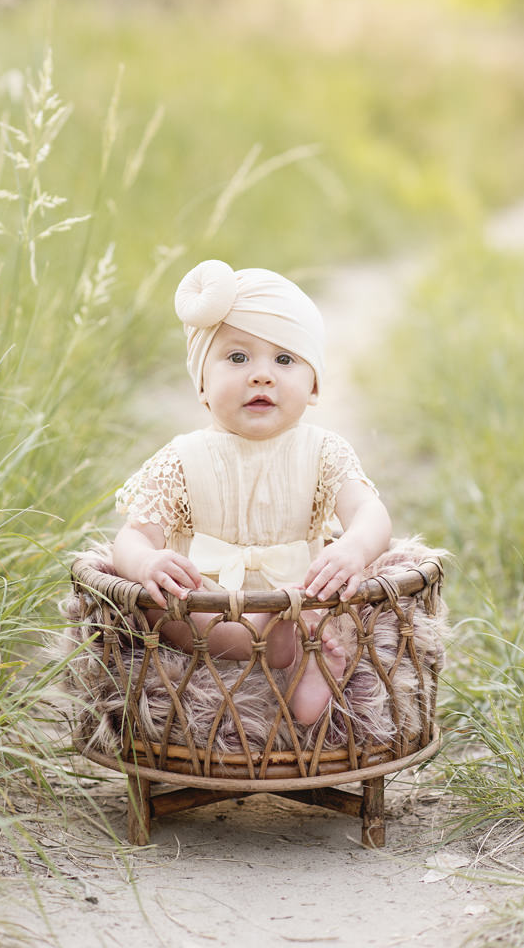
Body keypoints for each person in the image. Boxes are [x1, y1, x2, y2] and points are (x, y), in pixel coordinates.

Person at [111, 258, 393, 725]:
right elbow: (133, 536)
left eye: (284, 360)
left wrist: (354, 550)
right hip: (209, 609)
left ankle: (311, 658)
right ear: (202, 382)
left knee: (329, 604)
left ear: (314, 385)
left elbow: (369, 511)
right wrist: (147, 562)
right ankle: (290, 652)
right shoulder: (181, 458)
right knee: (168, 612)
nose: (262, 375)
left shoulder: (324, 451)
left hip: (299, 599)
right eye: (237, 358)